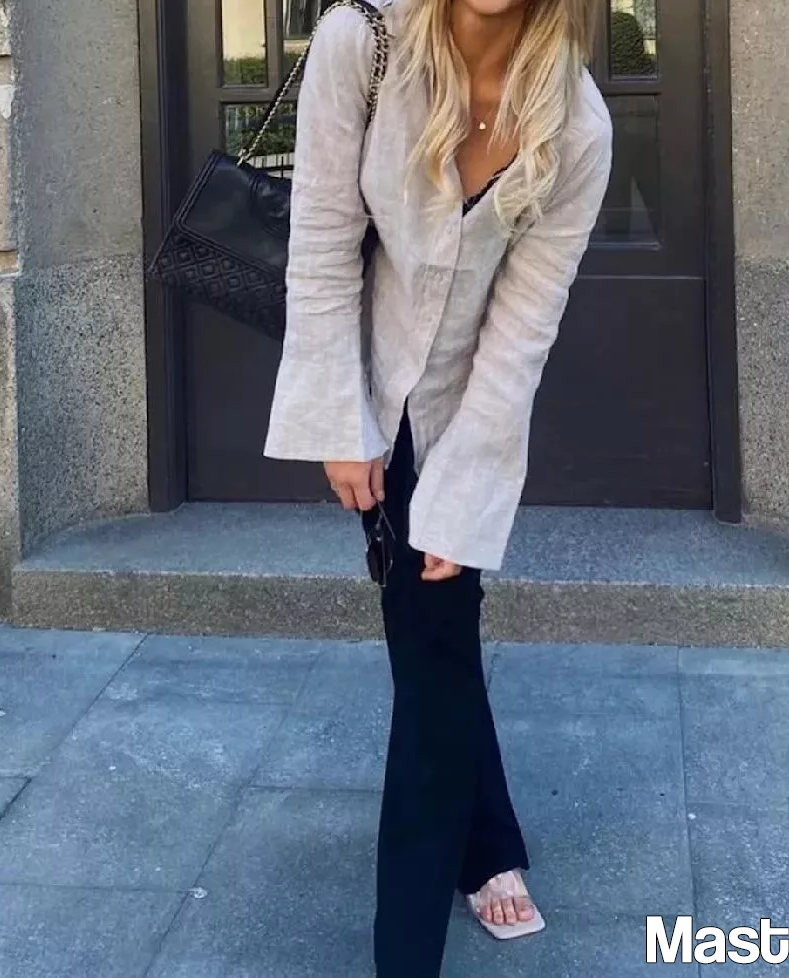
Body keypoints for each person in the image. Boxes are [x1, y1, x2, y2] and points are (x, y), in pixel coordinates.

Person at [262, 0, 612, 970]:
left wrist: (464, 493)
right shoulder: (363, 43)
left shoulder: (577, 125)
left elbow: (522, 333)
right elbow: (320, 245)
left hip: (463, 409)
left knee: (433, 642)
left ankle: (411, 938)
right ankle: (486, 849)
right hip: (373, 395)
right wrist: (341, 423)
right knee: (435, 640)